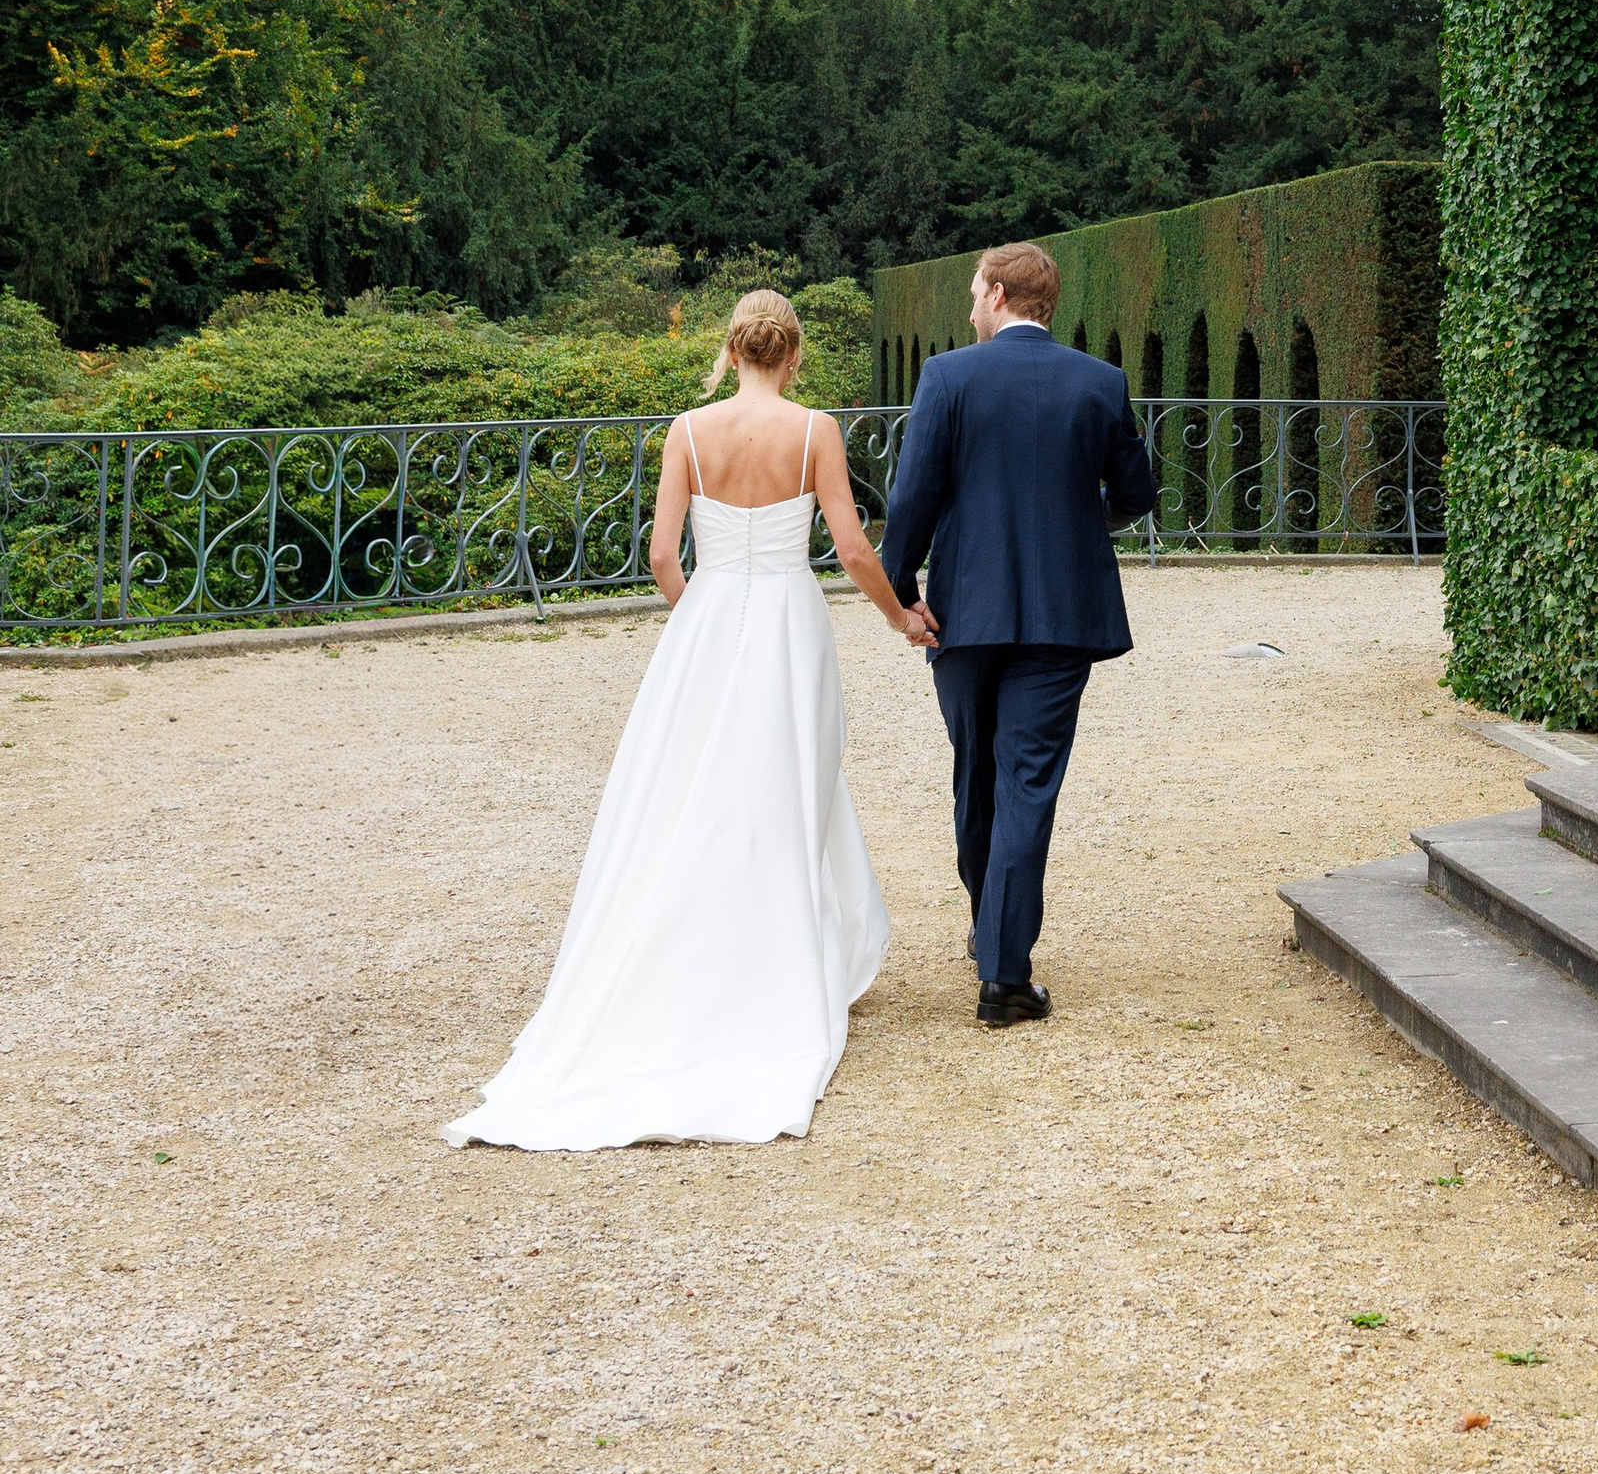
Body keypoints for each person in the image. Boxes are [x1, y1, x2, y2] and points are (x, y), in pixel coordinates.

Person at [441, 288, 928, 1150]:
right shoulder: (816, 429)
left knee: (691, 782)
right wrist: (900, 616)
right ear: (794, 354)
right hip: (787, 617)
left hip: (709, 621)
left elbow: (664, 555)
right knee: (791, 775)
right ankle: (784, 953)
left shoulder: (688, 431)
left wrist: (702, 616)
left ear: (732, 350)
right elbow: (853, 547)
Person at [879, 242, 1157, 1025]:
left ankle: (994, 944)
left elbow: (912, 500)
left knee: (977, 773)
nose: (968, 306)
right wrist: (1076, 523)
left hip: (961, 614)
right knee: (1024, 782)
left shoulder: (948, 378)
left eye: (974, 292)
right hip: (1061, 617)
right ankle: (1001, 962)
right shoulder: (1100, 383)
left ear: (999, 295)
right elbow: (1135, 493)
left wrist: (903, 595)